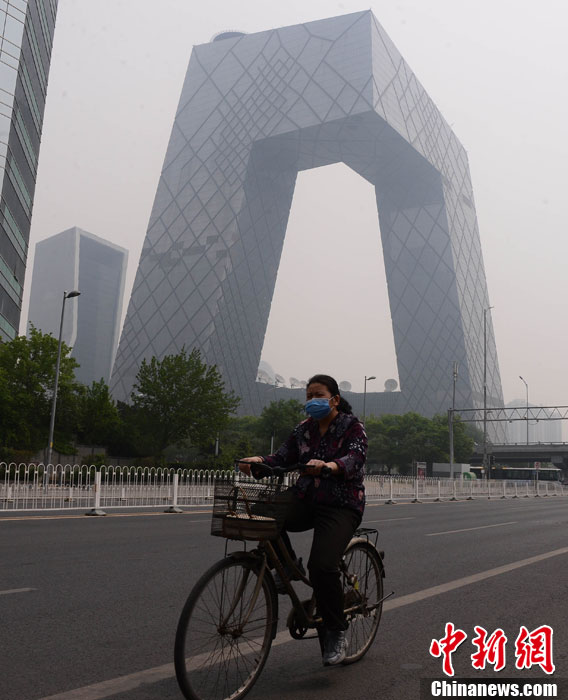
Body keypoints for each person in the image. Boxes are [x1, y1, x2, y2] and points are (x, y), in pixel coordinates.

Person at [239, 373, 367, 667]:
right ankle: (286, 566)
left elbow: (354, 459)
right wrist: (258, 462)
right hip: (306, 497)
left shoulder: (353, 427)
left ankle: (335, 631)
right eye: (308, 396)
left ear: (334, 399)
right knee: (261, 512)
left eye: (318, 395)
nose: (312, 401)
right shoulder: (303, 430)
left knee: (322, 566)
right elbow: (281, 458)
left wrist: (330, 465)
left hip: (341, 505)